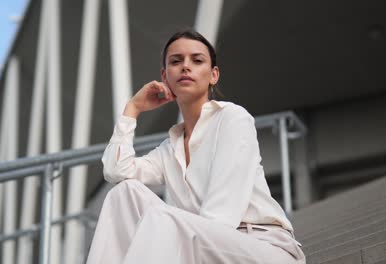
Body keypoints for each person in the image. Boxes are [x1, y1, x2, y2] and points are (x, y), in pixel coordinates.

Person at [86, 29, 306, 264]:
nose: (185, 67)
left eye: (197, 60)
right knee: (123, 193)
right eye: (176, 61)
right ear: (165, 75)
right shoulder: (169, 149)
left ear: (213, 75)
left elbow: (221, 217)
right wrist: (133, 108)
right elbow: (116, 171)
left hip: (263, 248)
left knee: (163, 218)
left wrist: (175, 239)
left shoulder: (232, 118)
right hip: (201, 243)